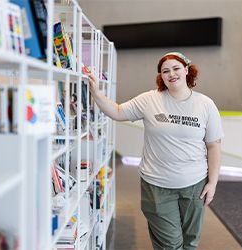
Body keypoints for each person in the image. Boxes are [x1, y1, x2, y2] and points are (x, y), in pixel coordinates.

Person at [88, 52, 224, 250]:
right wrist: (97, 95)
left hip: (195, 185)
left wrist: (212, 182)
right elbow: (117, 112)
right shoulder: (149, 100)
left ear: (186, 70)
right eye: (165, 71)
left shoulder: (205, 104)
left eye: (176, 68)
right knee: (170, 245)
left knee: (190, 242)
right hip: (157, 185)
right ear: (161, 76)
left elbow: (214, 145)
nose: (171, 74)